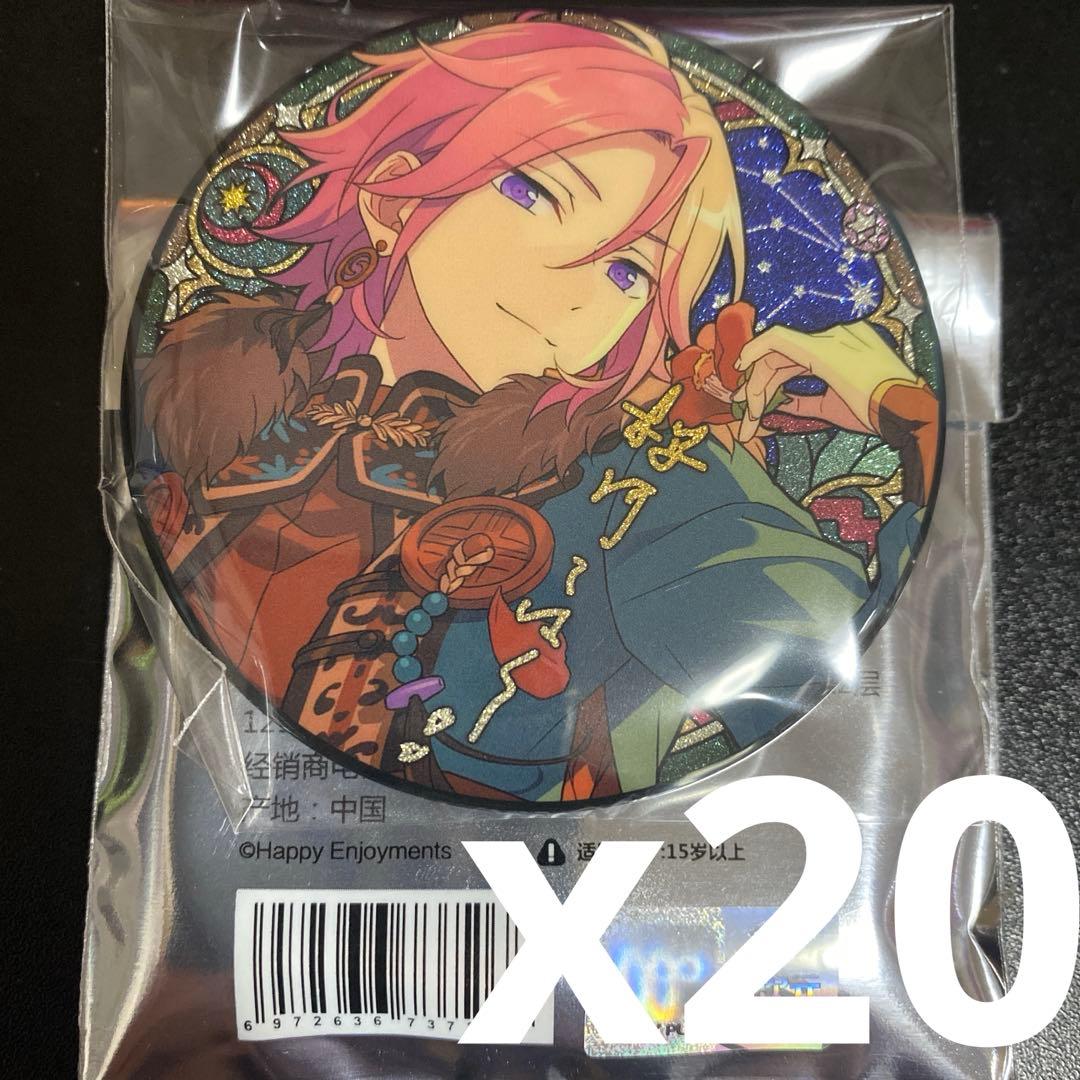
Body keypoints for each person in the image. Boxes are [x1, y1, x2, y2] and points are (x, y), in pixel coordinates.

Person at [138, 15, 938, 801]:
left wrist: (913, 424)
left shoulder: (635, 488)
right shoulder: (196, 394)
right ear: (391, 196)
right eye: (534, 193)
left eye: (629, 272)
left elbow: (853, 678)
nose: (572, 280)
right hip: (199, 786)